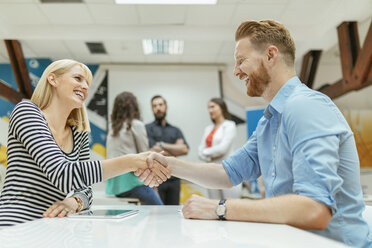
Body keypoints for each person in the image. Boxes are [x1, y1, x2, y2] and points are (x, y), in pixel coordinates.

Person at [136, 20, 372, 247]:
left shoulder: (305, 106)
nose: (237, 72)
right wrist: (168, 165)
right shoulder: (268, 122)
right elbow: (227, 172)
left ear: (270, 55)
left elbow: (314, 209)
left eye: (241, 61)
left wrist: (219, 207)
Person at [0, 59, 168, 227]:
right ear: (53, 79)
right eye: (78, 78)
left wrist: (75, 202)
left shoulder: (78, 134)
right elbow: (62, 174)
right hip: (15, 224)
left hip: (50, 226)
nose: (85, 86)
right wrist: (131, 161)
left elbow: (86, 190)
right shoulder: (27, 112)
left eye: (87, 82)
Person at [106, 92, 163, 205]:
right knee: (160, 210)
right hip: (132, 183)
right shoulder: (136, 124)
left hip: (115, 186)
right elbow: (146, 155)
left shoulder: (112, 127)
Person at [145, 95, 189, 205]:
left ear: (166, 107)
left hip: (175, 177)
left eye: (160, 104)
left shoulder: (175, 130)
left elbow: (184, 150)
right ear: (152, 109)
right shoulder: (146, 129)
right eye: (154, 106)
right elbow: (151, 151)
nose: (158, 108)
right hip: (155, 179)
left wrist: (161, 144)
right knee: (156, 215)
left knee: (173, 214)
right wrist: (175, 149)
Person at [198, 97, 241, 199]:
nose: (210, 110)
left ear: (221, 108)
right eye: (208, 108)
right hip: (211, 171)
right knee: (214, 205)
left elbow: (222, 149)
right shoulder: (208, 129)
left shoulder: (230, 125)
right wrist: (208, 156)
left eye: (213, 107)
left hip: (227, 170)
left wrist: (205, 152)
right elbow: (199, 152)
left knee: (230, 205)